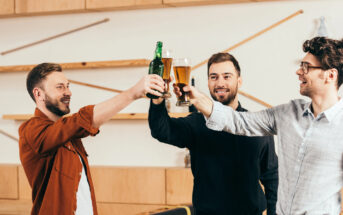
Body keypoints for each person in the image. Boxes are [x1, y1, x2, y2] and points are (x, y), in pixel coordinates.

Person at [187, 37, 343, 214]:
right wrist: (196, 97)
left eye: (306, 67)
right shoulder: (286, 113)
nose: (299, 71)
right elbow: (238, 121)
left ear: (330, 75)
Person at [19, 63, 165, 215]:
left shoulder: (69, 135)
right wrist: (133, 93)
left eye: (68, 86)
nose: (68, 92)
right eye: (60, 87)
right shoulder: (31, 130)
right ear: (38, 94)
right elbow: (82, 121)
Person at [148, 53, 278, 215]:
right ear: (208, 83)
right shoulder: (196, 123)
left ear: (239, 81)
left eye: (226, 76)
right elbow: (161, 130)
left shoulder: (257, 124)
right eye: (214, 77)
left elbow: (272, 178)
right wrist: (157, 97)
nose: (220, 83)